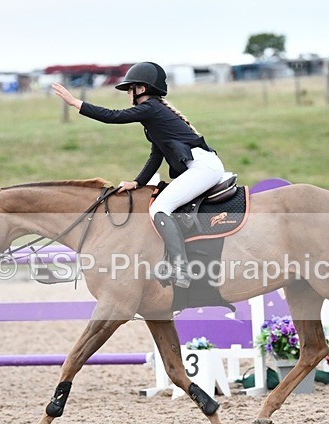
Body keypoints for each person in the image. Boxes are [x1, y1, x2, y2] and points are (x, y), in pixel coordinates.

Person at [51, 62, 226, 289]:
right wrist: (138, 182)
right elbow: (157, 154)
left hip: (204, 168)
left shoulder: (151, 108)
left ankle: (181, 267)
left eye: (130, 89)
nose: (128, 94)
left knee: (159, 208)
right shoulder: (153, 114)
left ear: (141, 89)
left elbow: (113, 116)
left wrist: (76, 103)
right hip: (202, 166)